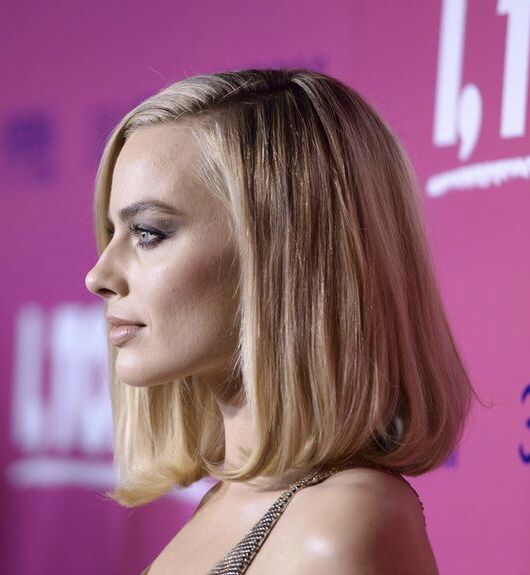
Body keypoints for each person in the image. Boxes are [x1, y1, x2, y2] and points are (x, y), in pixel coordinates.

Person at [84, 68, 481, 574]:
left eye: (148, 233)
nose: (99, 275)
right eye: (111, 231)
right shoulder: (228, 502)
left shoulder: (336, 526)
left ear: (279, 255)